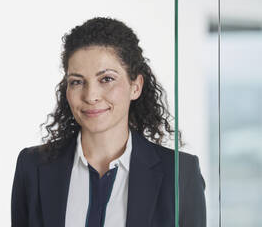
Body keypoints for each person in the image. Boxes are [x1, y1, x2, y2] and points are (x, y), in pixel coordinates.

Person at [11, 17, 206, 227]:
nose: (91, 95)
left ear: (136, 86)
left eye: (106, 79)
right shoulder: (32, 167)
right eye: (77, 82)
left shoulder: (179, 174)